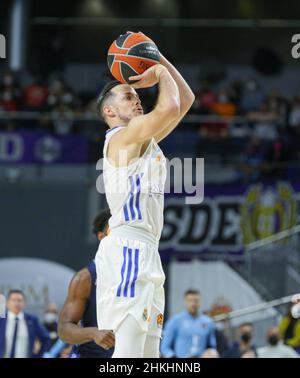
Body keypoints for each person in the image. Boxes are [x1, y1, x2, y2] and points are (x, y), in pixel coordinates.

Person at [95, 31, 194, 358]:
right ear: (109, 113)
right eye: (127, 95)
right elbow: (169, 107)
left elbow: (186, 100)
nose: (137, 96)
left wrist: (154, 56)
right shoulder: (123, 138)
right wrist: (159, 73)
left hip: (147, 249)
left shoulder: (142, 139)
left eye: (135, 92)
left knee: (150, 354)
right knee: (128, 353)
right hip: (128, 248)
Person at [58, 209, 115, 358]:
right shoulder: (85, 278)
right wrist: (93, 333)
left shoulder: (140, 272)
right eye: (114, 232)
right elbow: (64, 328)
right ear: (102, 237)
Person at [160, 290, 216, 358]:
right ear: (185, 302)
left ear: (200, 302)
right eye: (190, 301)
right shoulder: (175, 321)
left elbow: (212, 346)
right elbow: (164, 348)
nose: (193, 304)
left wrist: (210, 353)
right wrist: (173, 356)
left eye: (196, 300)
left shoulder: (208, 322)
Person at [0, 290, 50, 358]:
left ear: (24, 303)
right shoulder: (1, 320)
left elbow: (46, 338)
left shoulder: (32, 320)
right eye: (13, 300)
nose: (16, 303)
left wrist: (38, 356)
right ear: (7, 303)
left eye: (19, 300)